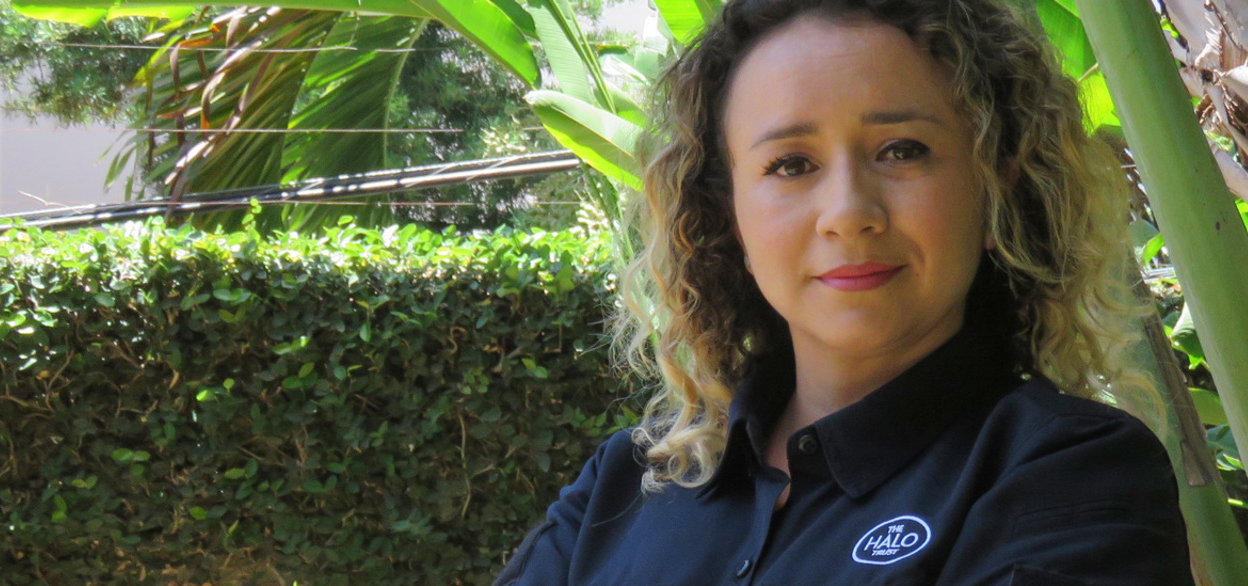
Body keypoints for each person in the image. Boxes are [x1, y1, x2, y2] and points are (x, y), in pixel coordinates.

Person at [491, 0, 1191, 584]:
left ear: (994, 187)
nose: (850, 210)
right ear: (727, 217)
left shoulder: (1070, 471)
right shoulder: (629, 481)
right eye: (791, 164)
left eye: (902, 151)